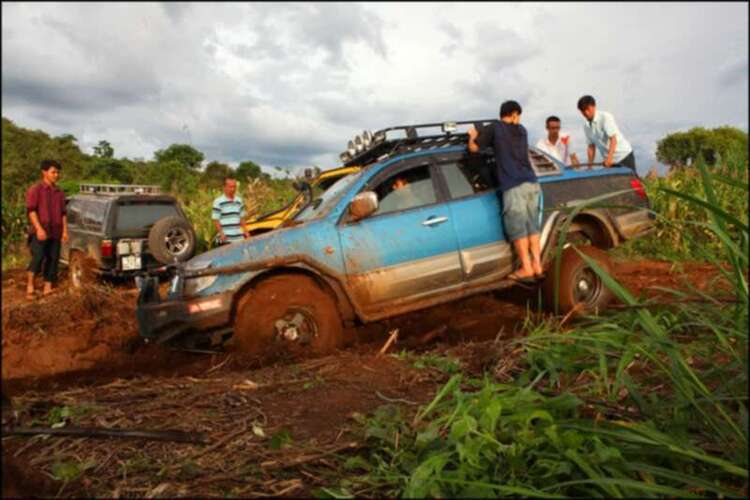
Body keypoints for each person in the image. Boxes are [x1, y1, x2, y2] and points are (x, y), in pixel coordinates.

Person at [468, 100, 543, 283]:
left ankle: (526, 268)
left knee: (518, 229)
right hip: (532, 183)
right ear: (514, 113)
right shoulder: (522, 131)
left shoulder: (495, 128)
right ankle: (537, 267)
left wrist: (472, 135)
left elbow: (474, 148)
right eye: (519, 115)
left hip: (513, 186)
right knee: (532, 227)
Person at [26, 159, 68, 299]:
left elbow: (63, 213)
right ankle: (30, 286)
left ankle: (47, 287)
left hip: (55, 231)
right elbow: (31, 211)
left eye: (57, 172)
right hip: (40, 231)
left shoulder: (59, 193)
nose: (56, 175)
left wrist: (65, 231)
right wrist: (39, 229)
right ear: (44, 172)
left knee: (53, 259)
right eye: (53, 172)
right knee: (38, 257)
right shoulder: (35, 190)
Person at [577, 95, 636, 170]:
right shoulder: (586, 126)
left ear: (594, 106)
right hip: (609, 160)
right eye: (582, 110)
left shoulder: (605, 117)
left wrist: (609, 159)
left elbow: (613, 139)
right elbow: (591, 147)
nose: (586, 112)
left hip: (623, 155)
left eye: (587, 109)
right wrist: (590, 166)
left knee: (632, 181)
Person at [212, 176, 249, 245]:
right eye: (230, 187)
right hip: (225, 238)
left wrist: (246, 231)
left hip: (238, 237)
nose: (233, 189)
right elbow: (215, 220)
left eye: (234, 187)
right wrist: (221, 233)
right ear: (224, 187)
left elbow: (242, 218)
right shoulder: (218, 201)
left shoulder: (239, 201)